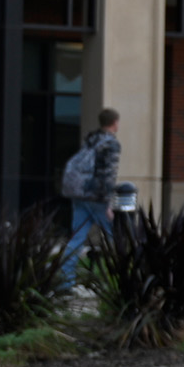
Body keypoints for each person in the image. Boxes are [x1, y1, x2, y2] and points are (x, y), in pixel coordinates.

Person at [59, 108, 121, 286]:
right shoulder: (111, 144)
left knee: (77, 238)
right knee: (114, 236)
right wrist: (108, 204)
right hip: (96, 196)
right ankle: (117, 279)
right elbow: (107, 175)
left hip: (78, 193)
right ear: (115, 123)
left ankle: (65, 281)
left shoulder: (91, 139)